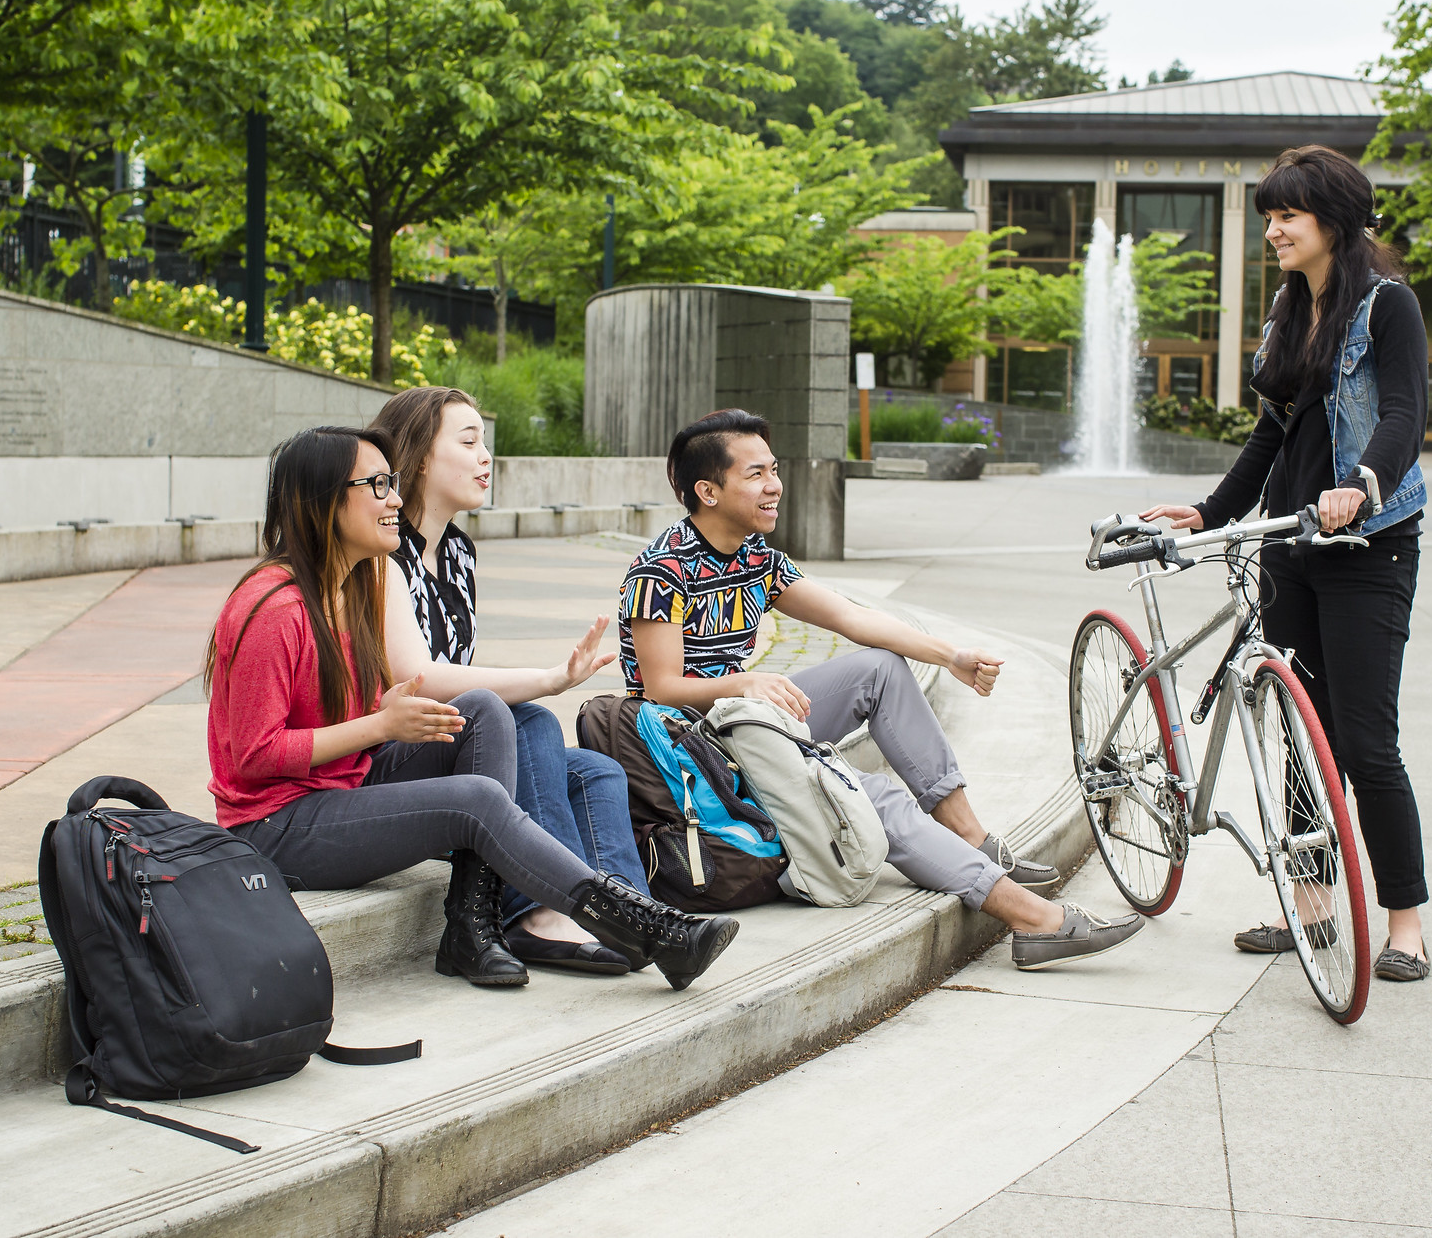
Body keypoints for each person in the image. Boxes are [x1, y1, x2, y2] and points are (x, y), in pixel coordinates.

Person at [204, 425, 737, 992]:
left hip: (346, 783)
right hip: (277, 825)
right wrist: (380, 725)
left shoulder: (359, 586)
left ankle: (471, 919)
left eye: (393, 482)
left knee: (484, 710)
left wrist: (380, 720)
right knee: (477, 798)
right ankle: (645, 927)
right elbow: (255, 758)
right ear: (323, 501)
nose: (393, 499)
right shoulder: (271, 608)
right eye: (378, 485)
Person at [620, 408, 1145, 971]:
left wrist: (952, 656)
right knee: (876, 799)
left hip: (751, 721)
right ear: (708, 490)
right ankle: (1036, 921)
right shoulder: (661, 572)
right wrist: (748, 682)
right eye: (755, 474)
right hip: (694, 752)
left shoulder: (755, 558)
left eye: (774, 469)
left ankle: (970, 837)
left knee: (880, 668)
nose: (774, 485)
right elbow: (660, 691)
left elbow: (851, 617)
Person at [1139, 144, 1432, 983]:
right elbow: (1273, 434)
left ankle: (1404, 922)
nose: (1273, 229)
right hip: (1290, 547)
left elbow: (1405, 415)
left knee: (1368, 743)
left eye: (1287, 216)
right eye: (1268, 217)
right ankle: (1308, 907)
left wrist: (1360, 486)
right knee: (1300, 737)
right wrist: (1210, 512)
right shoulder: (1286, 308)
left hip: (1368, 546)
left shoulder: (1388, 306)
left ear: (1332, 221)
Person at [372, 385, 648, 979]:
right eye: (468, 442)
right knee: (530, 722)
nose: (485, 457)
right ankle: (538, 913)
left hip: (453, 744)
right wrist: (549, 679)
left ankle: (623, 913)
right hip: (390, 755)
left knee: (596, 770)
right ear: (419, 457)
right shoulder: (382, 554)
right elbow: (419, 679)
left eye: (485, 442)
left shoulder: (458, 554)